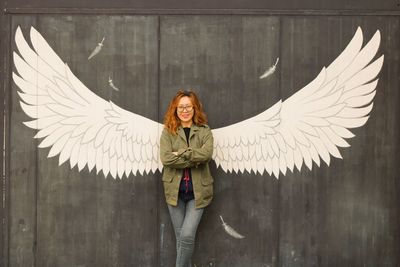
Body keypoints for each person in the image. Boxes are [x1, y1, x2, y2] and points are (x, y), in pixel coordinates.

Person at [160, 90, 214, 267]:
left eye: (188, 106)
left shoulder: (204, 131)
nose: (184, 110)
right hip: (174, 193)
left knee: (187, 236)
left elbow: (206, 155)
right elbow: (166, 158)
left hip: (199, 193)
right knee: (181, 239)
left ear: (194, 108)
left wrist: (180, 153)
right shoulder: (168, 132)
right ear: (175, 109)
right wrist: (192, 157)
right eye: (180, 107)